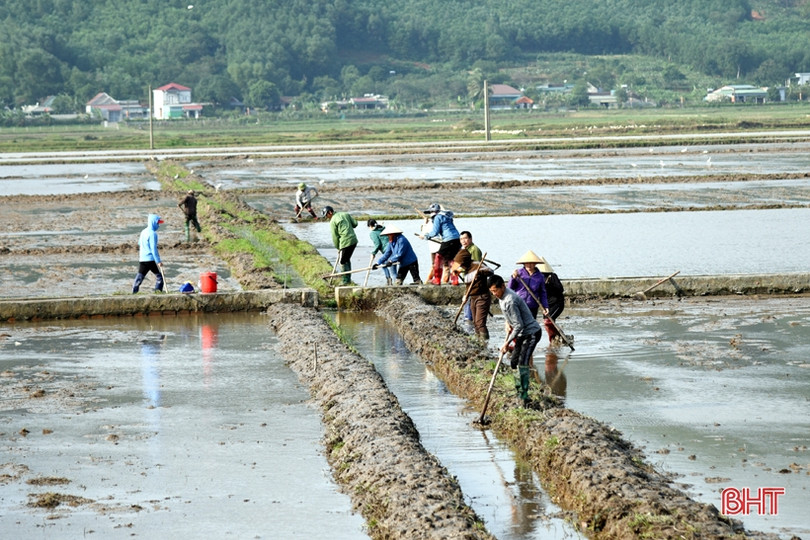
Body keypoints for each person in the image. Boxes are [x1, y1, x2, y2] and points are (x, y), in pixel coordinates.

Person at [488, 274, 543, 407]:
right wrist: (507, 322)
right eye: (492, 291)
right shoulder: (502, 297)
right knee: (513, 362)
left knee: (522, 362)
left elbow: (519, 325)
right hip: (521, 333)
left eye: (496, 290)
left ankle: (524, 396)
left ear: (503, 286)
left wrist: (507, 343)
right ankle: (519, 389)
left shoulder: (510, 300)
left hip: (531, 333)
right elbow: (512, 317)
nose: (494, 294)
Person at [450, 249, 492, 341]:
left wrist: (480, 272)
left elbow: (490, 271)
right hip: (473, 297)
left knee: (480, 323)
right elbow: (468, 286)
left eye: (461, 264)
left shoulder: (477, 265)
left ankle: (485, 342)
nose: (461, 267)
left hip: (482, 297)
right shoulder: (466, 270)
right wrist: (465, 296)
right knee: (475, 323)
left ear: (465, 262)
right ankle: (479, 341)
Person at [419, 203, 461, 285]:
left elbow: (435, 232)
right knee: (452, 260)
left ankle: (437, 279)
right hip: (457, 239)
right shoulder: (447, 216)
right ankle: (455, 280)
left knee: (438, 258)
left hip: (448, 239)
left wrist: (426, 236)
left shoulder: (438, 217)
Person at [508, 250, 550, 320]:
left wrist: (545, 306)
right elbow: (509, 288)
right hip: (519, 304)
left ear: (535, 264)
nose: (529, 265)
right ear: (524, 264)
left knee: (531, 326)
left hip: (532, 306)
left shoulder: (540, 276)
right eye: (527, 263)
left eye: (532, 263)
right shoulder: (519, 273)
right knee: (519, 325)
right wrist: (513, 278)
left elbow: (542, 293)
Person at [322, 205, 357, 286]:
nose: (327, 217)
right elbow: (355, 224)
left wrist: (338, 247)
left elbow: (335, 236)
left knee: (342, 262)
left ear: (330, 212)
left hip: (345, 242)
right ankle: (348, 279)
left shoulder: (332, 221)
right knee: (346, 259)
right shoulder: (345, 214)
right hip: (354, 241)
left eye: (327, 215)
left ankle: (345, 281)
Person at [132, 213, 165, 293]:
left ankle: (134, 291)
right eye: (157, 223)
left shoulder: (143, 232)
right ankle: (158, 292)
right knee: (159, 277)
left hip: (142, 258)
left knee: (140, 276)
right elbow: (153, 249)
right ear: (153, 223)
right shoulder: (153, 234)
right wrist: (158, 261)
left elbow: (139, 243)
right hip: (150, 259)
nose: (158, 225)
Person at [539, 256, 566, 343]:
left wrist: (549, 284)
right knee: (547, 323)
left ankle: (558, 335)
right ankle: (554, 338)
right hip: (546, 305)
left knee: (548, 321)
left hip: (557, 303)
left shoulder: (552, 276)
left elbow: (560, 289)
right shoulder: (537, 278)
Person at [367, 219, 396, 286]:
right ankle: (395, 284)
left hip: (387, 251)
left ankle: (389, 280)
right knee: (392, 269)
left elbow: (377, 244)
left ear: (370, 226)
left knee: (384, 264)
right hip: (394, 248)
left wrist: (373, 253)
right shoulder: (383, 229)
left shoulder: (373, 233)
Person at [459, 230, 481, 319]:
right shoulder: (465, 250)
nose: (463, 241)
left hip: (473, 279)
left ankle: (468, 320)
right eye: (461, 239)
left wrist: (461, 270)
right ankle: (469, 319)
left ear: (470, 239)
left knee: (467, 299)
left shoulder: (474, 249)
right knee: (468, 300)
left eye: (465, 238)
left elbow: (474, 266)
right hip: (468, 278)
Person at [421, 215, 442, 285]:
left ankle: (432, 280)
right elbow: (423, 235)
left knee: (438, 265)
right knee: (436, 265)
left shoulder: (433, 223)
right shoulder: (430, 223)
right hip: (434, 248)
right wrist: (425, 223)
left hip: (437, 247)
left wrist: (425, 223)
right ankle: (431, 280)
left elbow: (423, 235)